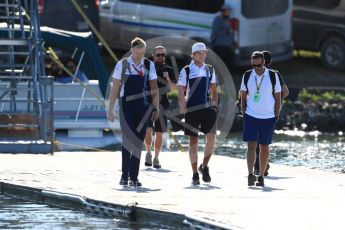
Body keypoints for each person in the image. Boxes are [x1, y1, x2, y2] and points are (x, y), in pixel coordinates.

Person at [108, 37, 159, 187]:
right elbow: (115, 89)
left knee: (138, 143)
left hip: (143, 108)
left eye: (142, 53)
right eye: (137, 53)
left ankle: (134, 177)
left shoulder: (149, 65)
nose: (139, 57)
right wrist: (110, 110)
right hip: (126, 107)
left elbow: (154, 89)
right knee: (127, 141)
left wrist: (156, 108)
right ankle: (124, 176)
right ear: (131, 50)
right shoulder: (122, 65)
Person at [177, 42, 218, 185]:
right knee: (193, 142)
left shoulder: (210, 69)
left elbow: (213, 89)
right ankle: (195, 173)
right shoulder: (186, 70)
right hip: (192, 109)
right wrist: (183, 106)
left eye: (204, 53)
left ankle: (204, 166)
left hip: (208, 109)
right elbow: (181, 90)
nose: (202, 55)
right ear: (193, 55)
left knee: (211, 140)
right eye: (199, 53)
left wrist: (214, 105)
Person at [240, 51, 281, 187]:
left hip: (268, 116)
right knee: (251, 145)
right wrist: (244, 112)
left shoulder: (273, 76)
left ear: (264, 63)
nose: (256, 68)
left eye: (259, 65)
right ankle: (250, 174)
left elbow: (278, 97)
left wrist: (276, 114)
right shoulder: (247, 76)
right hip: (251, 115)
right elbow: (243, 96)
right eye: (254, 65)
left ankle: (261, 176)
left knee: (264, 146)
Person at [253, 50, 289, 176]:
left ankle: (259, 165)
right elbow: (285, 92)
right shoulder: (275, 74)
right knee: (264, 140)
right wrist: (275, 101)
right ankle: (261, 165)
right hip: (270, 111)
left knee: (256, 139)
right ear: (270, 62)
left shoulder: (253, 73)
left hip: (255, 110)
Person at [144, 46, 177, 169]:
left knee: (159, 132)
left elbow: (174, 89)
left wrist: (167, 78)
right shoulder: (147, 67)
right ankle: (148, 152)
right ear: (153, 55)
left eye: (163, 54)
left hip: (163, 103)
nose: (161, 57)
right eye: (158, 55)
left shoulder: (168, 69)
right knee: (147, 130)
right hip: (147, 102)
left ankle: (156, 157)